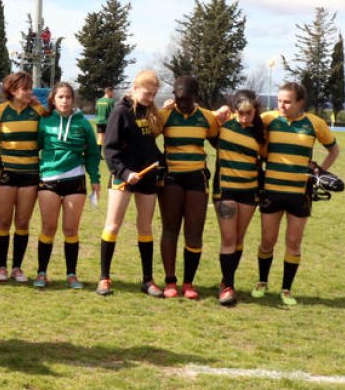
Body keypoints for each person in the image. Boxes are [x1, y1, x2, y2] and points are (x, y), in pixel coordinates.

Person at [251, 82, 338, 305]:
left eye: (288, 101)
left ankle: (287, 289)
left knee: (293, 243)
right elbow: (241, 119)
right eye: (280, 100)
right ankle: (262, 282)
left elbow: (334, 149)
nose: (282, 105)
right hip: (272, 190)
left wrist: (320, 172)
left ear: (301, 102)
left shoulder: (314, 123)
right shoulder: (268, 119)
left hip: (300, 193)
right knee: (267, 241)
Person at [97, 70, 166, 297]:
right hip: (123, 177)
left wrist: (159, 161)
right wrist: (125, 173)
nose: (150, 97)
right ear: (135, 88)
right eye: (147, 93)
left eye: (154, 94)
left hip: (147, 178)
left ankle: (147, 280)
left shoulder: (149, 111)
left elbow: (147, 145)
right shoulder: (120, 111)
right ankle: (104, 278)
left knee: (145, 227)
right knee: (113, 225)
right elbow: (109, 150)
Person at [158, 75, 220, 300]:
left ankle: (189, 283)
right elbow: (146, 136)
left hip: (196, 179)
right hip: (171, 179)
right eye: (177, 98)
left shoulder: (207, 118)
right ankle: (170, 281)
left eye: (185, 99)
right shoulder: (165, 115)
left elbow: (219, 143)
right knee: (170, 229)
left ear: (195, 97)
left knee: (194, 233)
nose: (180, 103)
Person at [35, 82, 101, 289]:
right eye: (60, 97)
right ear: (53, 99)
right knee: (48, 227)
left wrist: (95, 179)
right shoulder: (44, 121)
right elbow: (35, 146)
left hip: (75, 180)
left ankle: (71, 275)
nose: (64, 101)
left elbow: (92, 154)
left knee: (70, 229)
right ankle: (41, 273)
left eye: (68, 97)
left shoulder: (82, 123)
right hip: (49, 180)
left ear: (73, 100)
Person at [0, 71, 48, 283]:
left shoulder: (37, 110)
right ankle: (2, 267)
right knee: (4, 220)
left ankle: (17, 268)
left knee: (22, 222)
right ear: (12, 90)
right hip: (6, 172)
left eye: (30, 88)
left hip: (30, 173)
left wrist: (37, 104)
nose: (29, 92)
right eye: (24, 88)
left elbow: (49, 124)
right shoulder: (0, 110)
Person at [211, 90, 266, 306]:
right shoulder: (223, 125)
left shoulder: (261, 132)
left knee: (239, 239)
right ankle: (228, 288)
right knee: (228, 239)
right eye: (240, 113)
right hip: (226, 190)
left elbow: (266, 158)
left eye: (249, 113)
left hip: (249, 191)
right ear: (234, 110)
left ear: (255, 111)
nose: (244, 117)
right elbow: (204, 119)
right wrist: (219, 112)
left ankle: (226, 280)